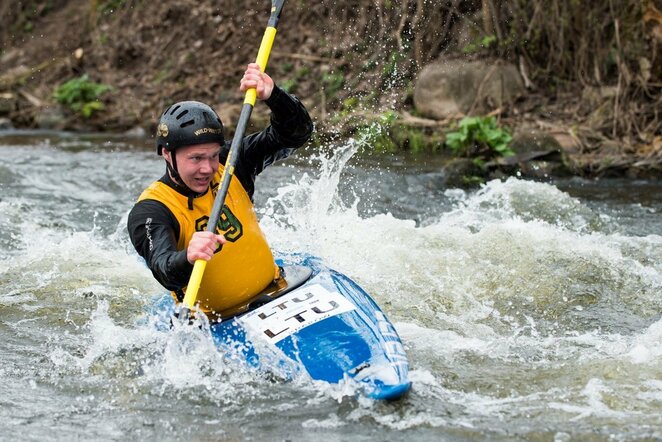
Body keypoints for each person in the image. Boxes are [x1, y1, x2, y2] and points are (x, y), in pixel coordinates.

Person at [127, 63, 313, 321]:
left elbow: (295, 135)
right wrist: (187, 257)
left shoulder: (231, 163)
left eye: (213, 155)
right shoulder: (152, 209)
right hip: (218, 322)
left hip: (276, 292)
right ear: (167, 154)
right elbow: (164, 269)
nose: (207, 168)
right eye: (196, 158)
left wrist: (275, 96)